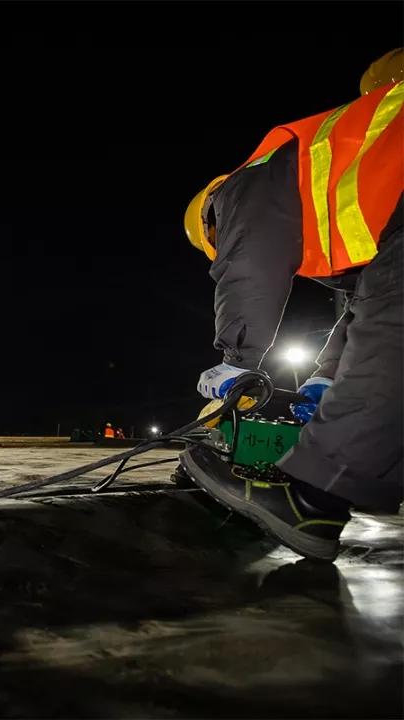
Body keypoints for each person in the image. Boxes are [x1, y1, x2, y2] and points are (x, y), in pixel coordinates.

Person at [180, 50, 403, 561]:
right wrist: (327, 375)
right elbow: (368, 302)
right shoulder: (368, 172)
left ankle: (312, 499)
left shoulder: (250, 180)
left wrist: (234, 363)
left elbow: (249, 266)